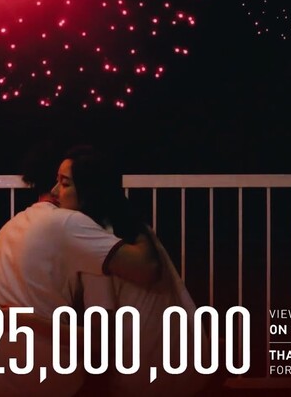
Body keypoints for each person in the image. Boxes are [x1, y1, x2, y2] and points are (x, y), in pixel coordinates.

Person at [0, 142, 162, 397]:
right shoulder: (73, 225)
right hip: (37, 383)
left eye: (64, 182)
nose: (58, 189)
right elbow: (146, 270)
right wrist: (130, 220)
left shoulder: (12, 224)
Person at [51, 145, 212, 397]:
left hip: (150, 378)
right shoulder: (130, 227)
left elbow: (97, 339)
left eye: (64, 183)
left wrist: (26, 321)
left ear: (89, 191)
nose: (54, 191)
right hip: (191, 365)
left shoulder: (98, 241)